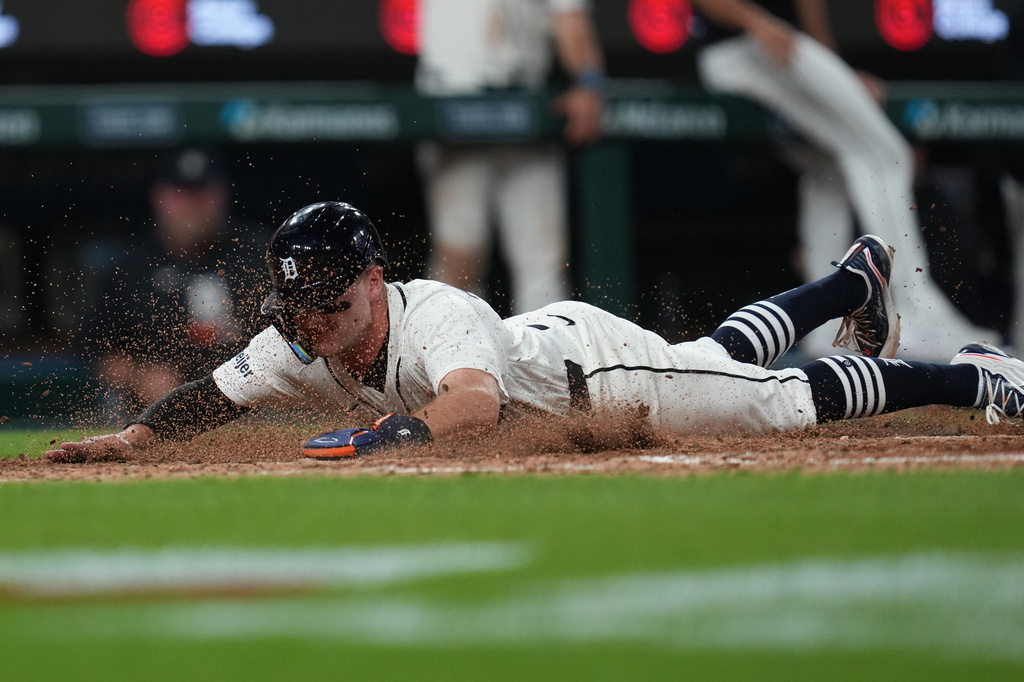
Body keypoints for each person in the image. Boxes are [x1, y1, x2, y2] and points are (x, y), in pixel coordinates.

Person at [47, 201, 1023, 462]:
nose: (315, 331)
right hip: (562, 356)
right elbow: (211, 399)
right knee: (721, 358)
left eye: (332, 307)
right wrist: (132, 436)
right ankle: (850, 280)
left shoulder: (436, 315)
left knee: (775, 406)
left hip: (598, 373)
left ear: (374, 283)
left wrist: (383, 435)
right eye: (300, 314)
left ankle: (975, 376)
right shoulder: (304, 341)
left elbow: (469, 401)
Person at [689, 0, 1002, 361]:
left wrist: (837, 74)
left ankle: (824, 332)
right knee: (886, 153)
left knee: (828, 173)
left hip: (760, 47)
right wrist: (758, 23)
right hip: (749, 46)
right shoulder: (755, 31)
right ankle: (910, 310)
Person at [416, 0, 605, 313]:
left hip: (527, 102)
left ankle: (546, 362)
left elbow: (569, 17)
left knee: (542, 263)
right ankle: (452, 359)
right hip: (450, 96)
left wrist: (589, 84)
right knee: (458, 263)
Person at [77, 148, 267, 423]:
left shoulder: (258, 254)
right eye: (181, 193)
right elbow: (96, 349)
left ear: (223, 194)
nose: (192, 204)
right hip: (153, 415)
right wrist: (140, 376)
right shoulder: (129, 266)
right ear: (158, 196)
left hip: (259, 408)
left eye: (202, 193)